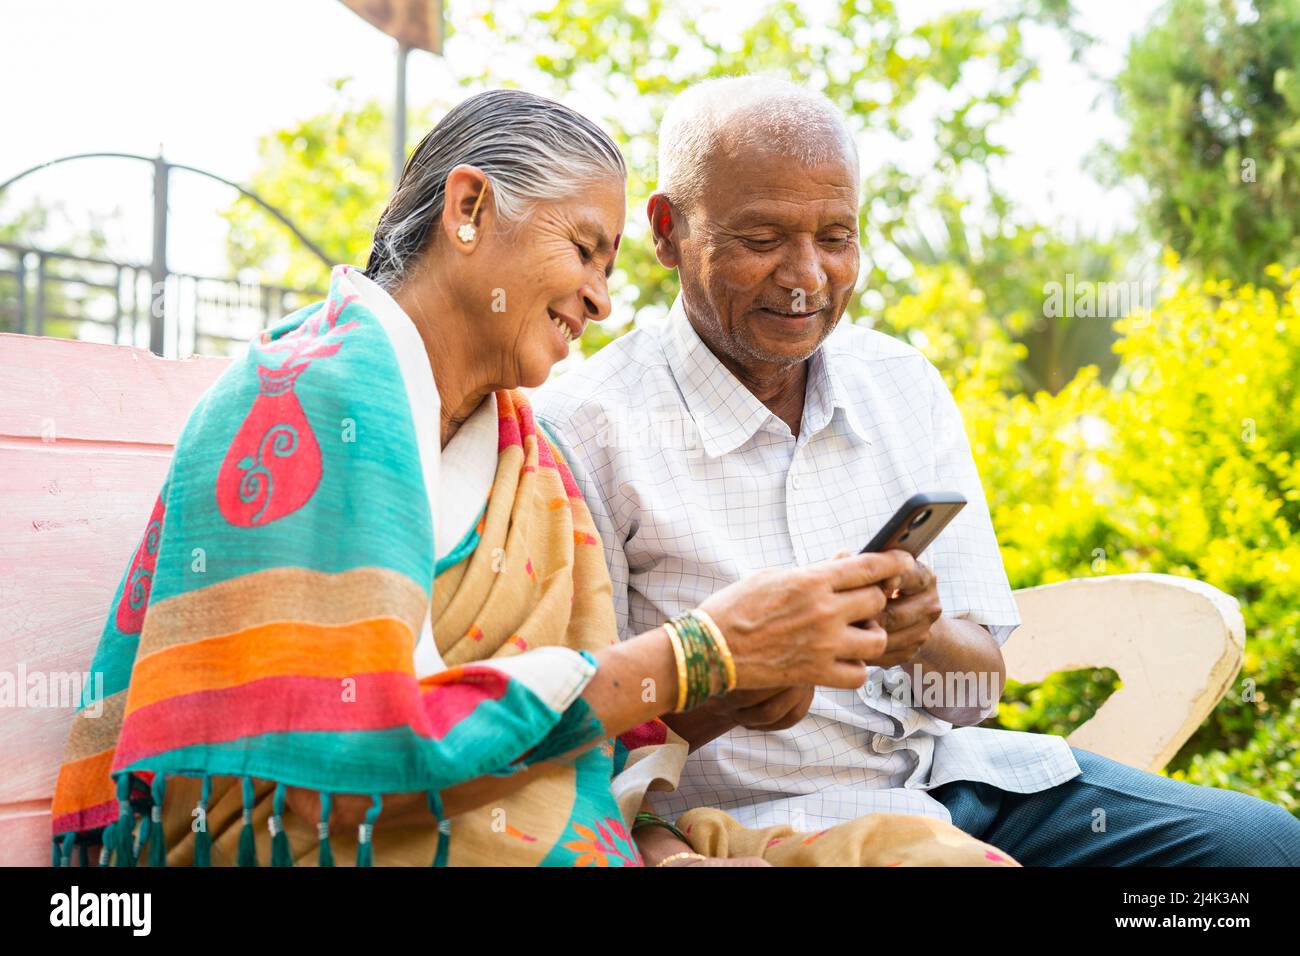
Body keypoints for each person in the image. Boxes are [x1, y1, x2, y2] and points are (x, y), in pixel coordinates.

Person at [49, 89, 1013, 868]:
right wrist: (702, 655)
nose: (600, 297)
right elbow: (343, 746)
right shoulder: (310, 392)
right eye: (585, 251)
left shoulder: (518, 444)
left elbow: (558, 722)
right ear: (470, 210)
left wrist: (725, 694)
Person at [534, 75, 1300, 866]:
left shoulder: (900, 383)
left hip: (952, 790)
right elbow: (584, 743)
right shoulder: (586, 429)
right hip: (744, 829)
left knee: (1262, 853)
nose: (807, 277)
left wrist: (920, 635)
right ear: (667, 231)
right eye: (763, 241)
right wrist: (742, 670)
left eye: (836, 238)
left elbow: (974, 698)